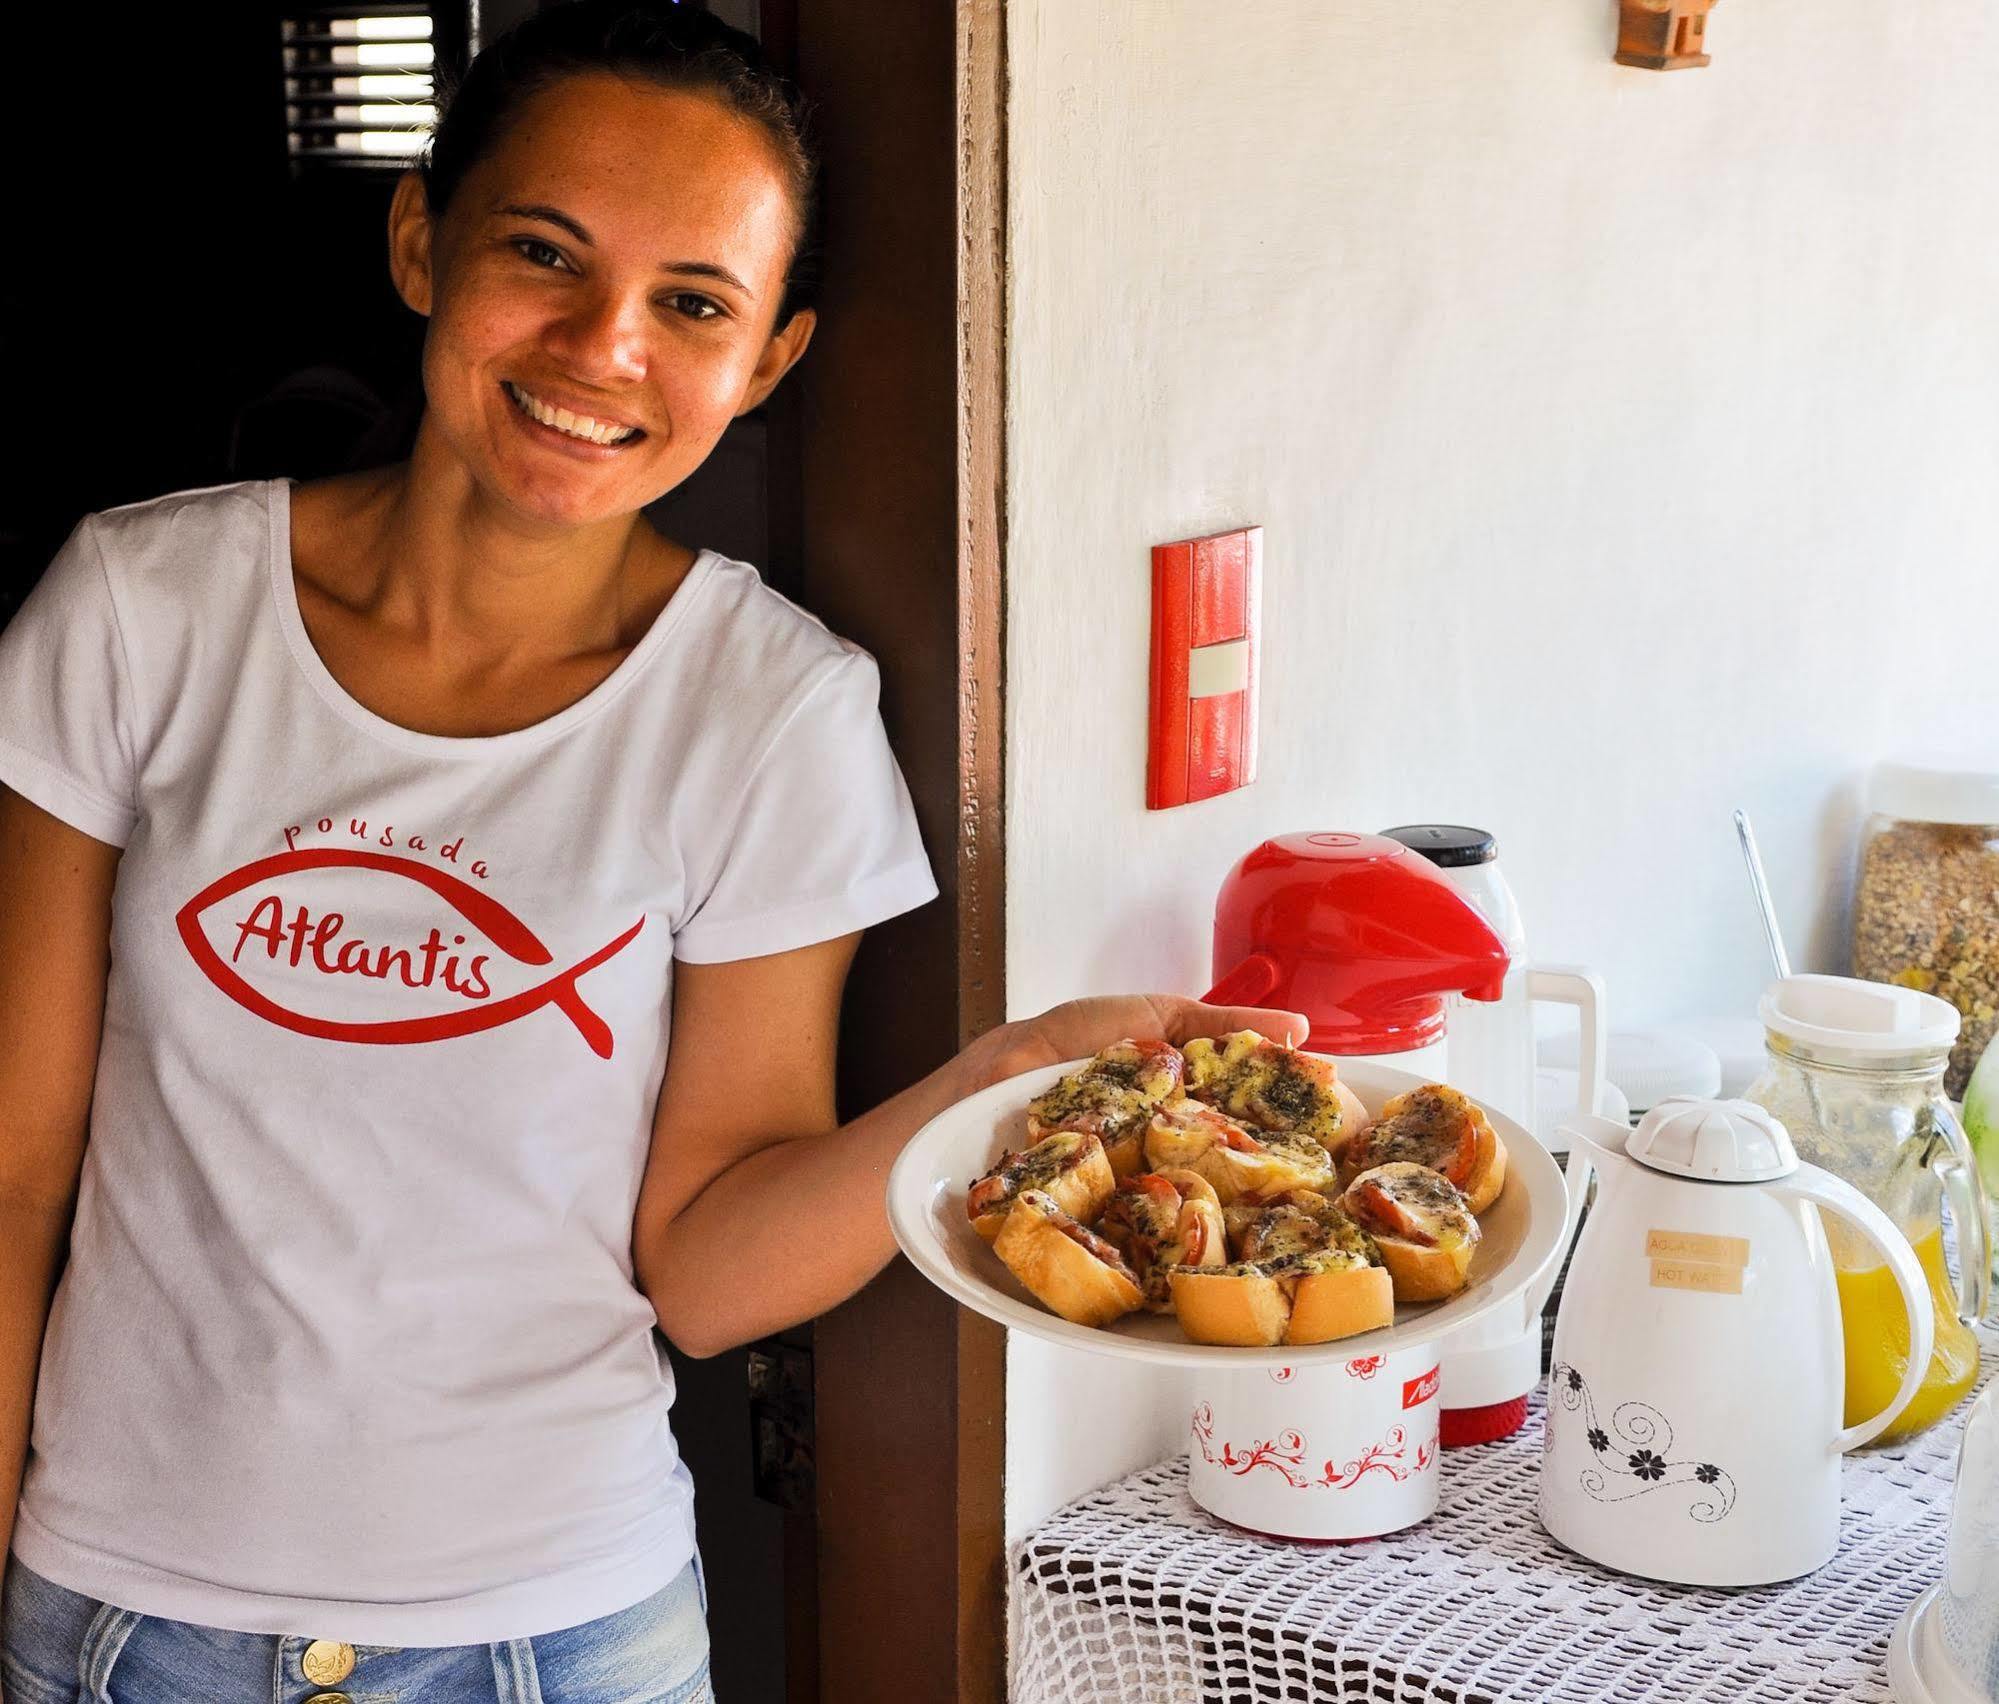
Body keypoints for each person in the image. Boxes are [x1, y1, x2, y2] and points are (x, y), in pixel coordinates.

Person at [0, 6, 1303, 1701]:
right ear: (419, 241)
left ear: (767, 360)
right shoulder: (141, 611)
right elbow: (14, 1175)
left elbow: (704, 1270)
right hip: (121, 1618)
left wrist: (1009, 1078)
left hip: (552, 1638)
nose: (605, 344)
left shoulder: (771, 715)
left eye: (694, 303)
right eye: (545, 254)